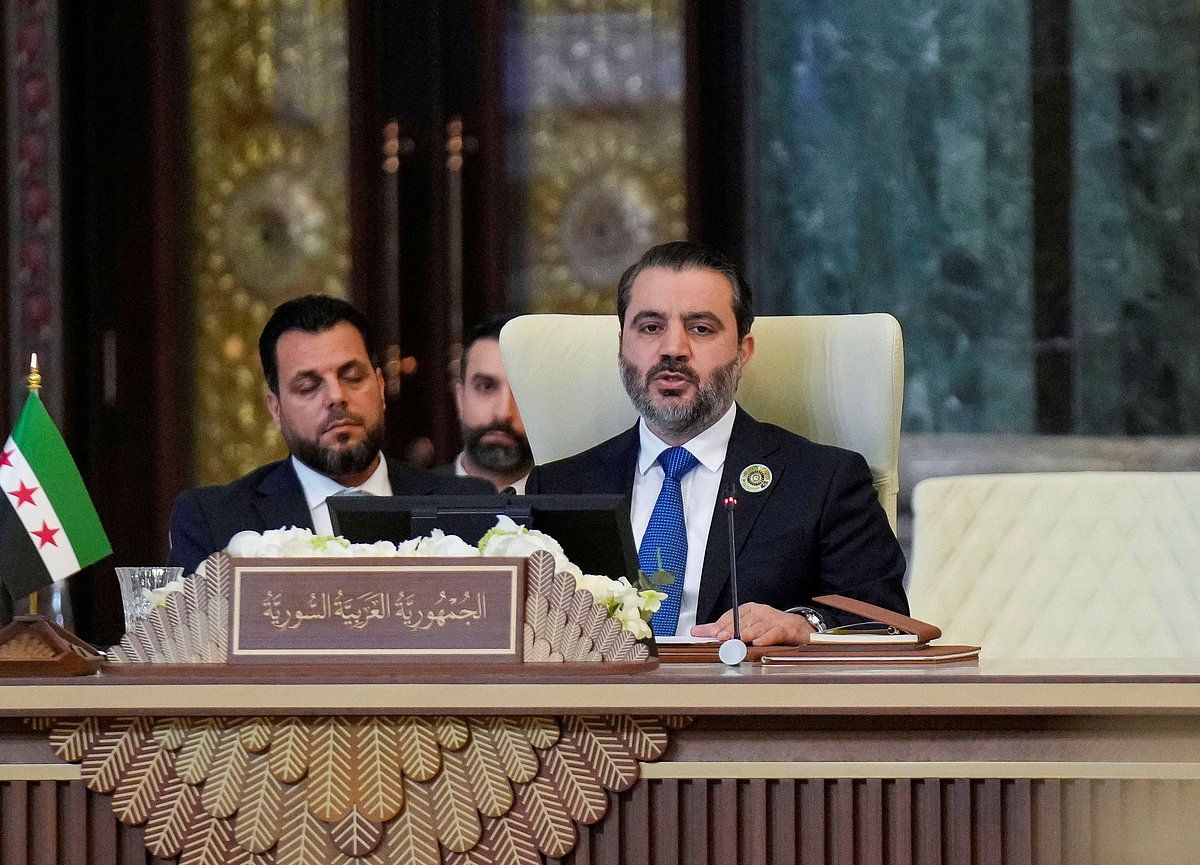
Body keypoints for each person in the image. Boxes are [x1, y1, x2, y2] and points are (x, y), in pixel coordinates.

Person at [525, 241, 908, 646]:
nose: (673, 349)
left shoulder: (823, 481)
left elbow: (885, 621)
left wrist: (803, 625)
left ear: (743, 352)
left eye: (701, 328)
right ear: (622, 345)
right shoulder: (558, 487)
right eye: (651, 327)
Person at [168, 295, 491, 575]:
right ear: (276, 409)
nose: (336, 396)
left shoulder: (468, 506)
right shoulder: (216, 520)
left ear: (380, 387)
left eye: (352, 377)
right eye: (309, 386)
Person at [438, 316, 534, 493]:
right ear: (460, 397)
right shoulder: (412, 499)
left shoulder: (574, 503)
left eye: (522, 391)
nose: (503, 412)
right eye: (486, 387)